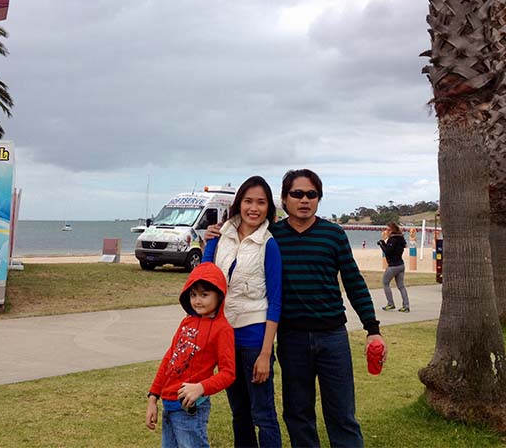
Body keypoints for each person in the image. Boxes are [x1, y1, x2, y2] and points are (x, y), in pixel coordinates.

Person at [207, 169, 385, 448]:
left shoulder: (333, 235)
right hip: (291, 339)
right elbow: (238, 239)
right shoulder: (271, 237)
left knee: (342, 415)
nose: (304, 200)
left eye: (311, 194)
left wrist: (372, 329)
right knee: (298, 415)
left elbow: (353, 282)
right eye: (297, 194)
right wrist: (215, 233)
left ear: (319, 199)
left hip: (332, 337)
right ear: (284, 199)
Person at [202, 176, 282, 448]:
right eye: (248, 201)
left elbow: (275, 301)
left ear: (268, 207)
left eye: (261, 202)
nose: (254, 208)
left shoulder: (268, 244)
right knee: (240, 412)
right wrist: (207, 242)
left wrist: (265, 353)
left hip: (254, 338)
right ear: (239, 204)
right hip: (224, 336)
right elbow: (204, 281)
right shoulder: (219, 235)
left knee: (263, 413)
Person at [146, 262, 236, 448]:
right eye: (193, 294)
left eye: (204, 295)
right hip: (168, 405)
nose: (197, 300)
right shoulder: (186, 323)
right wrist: (153, 397)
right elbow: (169, 359)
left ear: (219, 295)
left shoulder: (222, 329)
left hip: (190, 408)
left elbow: (228, 373)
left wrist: (201, 388)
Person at [377, 222, 410, 313]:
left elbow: (388, 251)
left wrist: (382, 243)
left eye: (387, 229)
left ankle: (390, 304)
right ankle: (406, 306)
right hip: (401, 265)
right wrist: (384, 242)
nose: (386, 231)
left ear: (392, 230)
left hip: (393, 266)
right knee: (401, 286)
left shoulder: (392, 239)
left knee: (385, 283)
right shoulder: (401, 239)